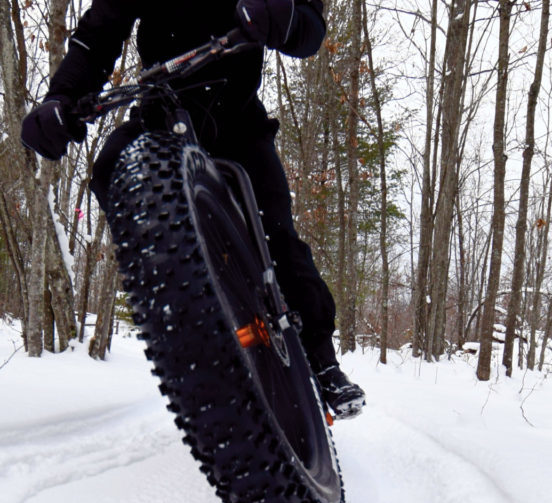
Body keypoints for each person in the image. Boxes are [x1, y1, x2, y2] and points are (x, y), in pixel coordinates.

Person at [20, 0, 366, 419]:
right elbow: (98, 35)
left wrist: (285, 16)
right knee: (111, 168)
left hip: (236, 118)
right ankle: (176, 305)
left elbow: (308, 26)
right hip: (160, 112)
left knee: (275, 231)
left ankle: (320, 358)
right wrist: (60, 99)